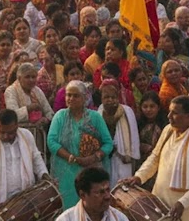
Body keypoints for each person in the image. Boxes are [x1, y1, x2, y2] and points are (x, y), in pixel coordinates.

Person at [119, 95, 189, 221]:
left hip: (184, 211)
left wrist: (182, 203)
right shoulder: (168, 130)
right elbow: (155, 157)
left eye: (174, 113)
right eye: (169, 111)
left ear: (188, 117)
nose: (169, 116)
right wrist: (139, 177)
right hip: (158, 203)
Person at [0, 110, 49, 220]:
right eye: (2, 132)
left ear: (17, 126)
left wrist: (44, 175)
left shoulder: (27, 136)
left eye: (10, 133)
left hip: (24, 203)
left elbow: (36, 159)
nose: (6, 136)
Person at [49, 80, 115, 208]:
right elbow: (51, 142)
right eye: (68, 95)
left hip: (91, 172)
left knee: (91, 206)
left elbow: (108, 144)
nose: (71, 98)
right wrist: (70, 157)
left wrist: (93, 158)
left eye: (75, 95)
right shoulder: (60, 116)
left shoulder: (95, 117)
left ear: (85, 98)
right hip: (66, 172)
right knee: (68, 208)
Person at [97, 81, 140, 183]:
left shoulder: (127, 111)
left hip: (123, 158)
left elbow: (134, 136)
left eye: (113, 97)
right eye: (106, 97)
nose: (110, 100)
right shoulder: (98, 113)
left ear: (118, 97)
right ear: (101, 98)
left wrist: (131, 156)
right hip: (105, 158)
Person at [55, 167, 129, 221]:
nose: (107, 196)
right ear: (83, 195)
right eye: (100, 192)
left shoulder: (120, 218)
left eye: (108, 190)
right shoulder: (66, 219)